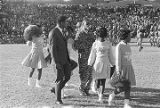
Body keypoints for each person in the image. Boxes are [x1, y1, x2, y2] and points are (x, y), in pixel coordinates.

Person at [108, 28, 136, 108]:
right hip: (122, 69)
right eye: (129, 36)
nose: (130, 37)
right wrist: (118, 70)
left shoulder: (128, 45)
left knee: (128, 86)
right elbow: (118, 60)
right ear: (125, 36)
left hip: (129, 68)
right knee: (122, 87)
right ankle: (112, 95)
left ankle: (126, 104)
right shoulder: (119, 46)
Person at [48, 16, 72, 104]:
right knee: (60, 79)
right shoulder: (54, 32)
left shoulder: (61, 31)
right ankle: (58, 99)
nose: (67, 24)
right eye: (66, 22)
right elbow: (52, 49)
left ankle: (55, 89)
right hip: (58, 60)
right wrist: (56, 62)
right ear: (61, 22)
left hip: (65, 59)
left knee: (68, 76)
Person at [88, 27, 114, 103]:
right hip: (97, 64)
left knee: (103, 81)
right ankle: (95, 86)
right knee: (97, 81)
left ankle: (100, 97)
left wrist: (113, 64)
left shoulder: (108, 43)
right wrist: (89, 64)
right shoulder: (95, 43)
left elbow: (110, 55)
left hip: (105, 64)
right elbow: (92, 55)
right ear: (98, 34)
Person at [73, 18, 95, 96]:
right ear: (83, 25)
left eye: (89, 24)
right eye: (87, 24)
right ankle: (81, 88)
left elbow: (95, 43)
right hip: (83, 57)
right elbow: (75, 46)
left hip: (91, 56)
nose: (89, 26)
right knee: (84, 74)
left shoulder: (91, 34)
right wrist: (83, 46)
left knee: (91, 74)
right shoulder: (80, 34)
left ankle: (87, 89)